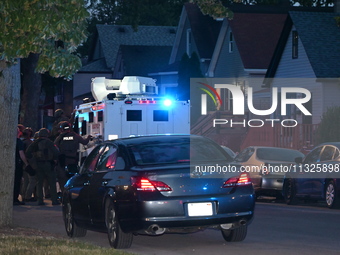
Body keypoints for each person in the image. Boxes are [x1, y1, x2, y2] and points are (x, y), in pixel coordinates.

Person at [26, 128, 60, 205]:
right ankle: (54, 200)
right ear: (47, 135)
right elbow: (56, 152)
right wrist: (54, 160)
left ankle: (40, 200)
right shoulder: (49, 143)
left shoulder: (34, 143)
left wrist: (33, 161)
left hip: (38, 164)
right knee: (52, 182)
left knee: (39, 183)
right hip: (49, 164)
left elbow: (28, 153)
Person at [54, 121, 92, 191]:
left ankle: (63, 193)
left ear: (62, 128)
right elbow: (85, 142)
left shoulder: (60, 137)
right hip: (73, 160)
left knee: (62, 178)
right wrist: (89, 137)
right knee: (73, 177)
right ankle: (71, 191)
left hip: (62, 161)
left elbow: (55, 146)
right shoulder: (75, 136)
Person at [21, 127, 37, 202]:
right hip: (30, 164)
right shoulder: (30, 143)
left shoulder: (21, 141)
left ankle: (24, 196)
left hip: (23, 163)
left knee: (26, 181)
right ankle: (28, 196)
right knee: (32, 180)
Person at [14, 127, 29, 205]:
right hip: (17, 164)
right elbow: (21, 154)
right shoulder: (19, 142)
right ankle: (15, 199)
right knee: (17, 182)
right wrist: (26, 163)